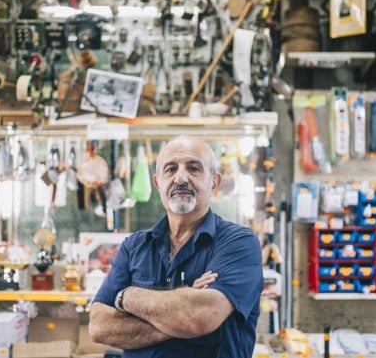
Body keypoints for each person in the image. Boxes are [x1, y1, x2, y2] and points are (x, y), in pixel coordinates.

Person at [88, 135, 264, 357]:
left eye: (194, 169)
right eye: (170, 170)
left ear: (214, 182)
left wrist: (127, 297)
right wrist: (184, 308)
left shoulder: (238, 242)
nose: (181, 178)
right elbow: (98, 327)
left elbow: (200, 316)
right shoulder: (133, 247)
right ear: (158, 182)